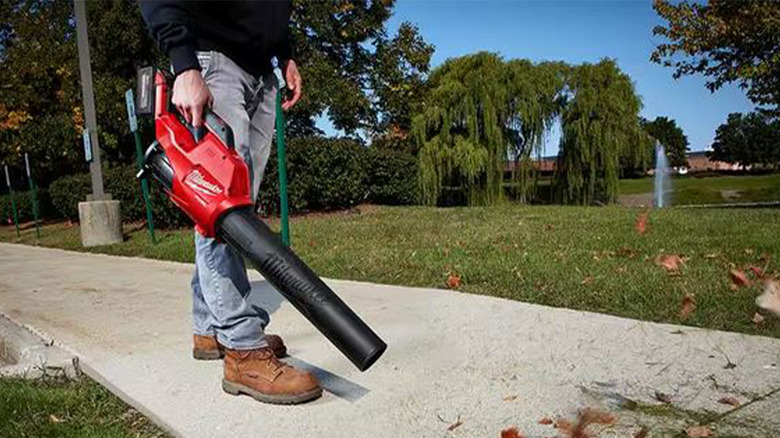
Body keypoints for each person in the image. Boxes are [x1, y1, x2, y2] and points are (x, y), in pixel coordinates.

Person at [139, 1, 321, 405]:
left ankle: (210, 327)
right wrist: (185, 64)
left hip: (261, 71)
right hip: (212, 62)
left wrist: (285, 53)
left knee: (236, 210)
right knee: (220, 207)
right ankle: (242, 349)